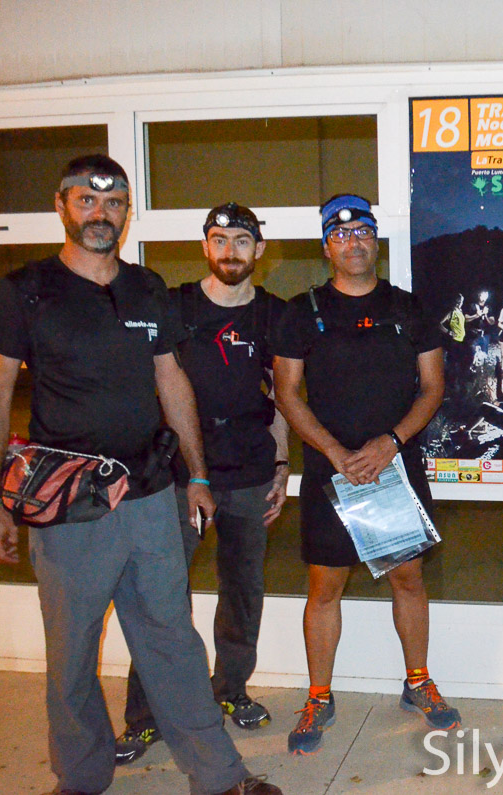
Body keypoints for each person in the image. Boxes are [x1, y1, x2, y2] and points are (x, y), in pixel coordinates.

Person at [0, 155, 280, 795]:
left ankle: (219, 776)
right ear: (61, 205)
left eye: (113, 203)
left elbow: (171, 379)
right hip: (68, 506)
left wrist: (197, 475)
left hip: (150, 498)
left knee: (173, 641)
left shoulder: (146, 287)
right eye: (86, 200)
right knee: (73, 652)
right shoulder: (26, 289)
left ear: (126, 213)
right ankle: (81, 778)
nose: (100, 213)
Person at [273, 193, 460, 757]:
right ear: (326, 246)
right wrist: (333, 451)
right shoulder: (300, 311)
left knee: (408, 579)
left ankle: (418, 682)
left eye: (362, 232)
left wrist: (391, 443)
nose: (352, 242)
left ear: (374, 241)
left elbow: (433, 388)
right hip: (332, 472)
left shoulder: (408, 308)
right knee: (324, 588)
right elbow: (287, 393)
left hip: (392, 468)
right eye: (340, 234)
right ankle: (319, 696)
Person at [115, 203, 290, 764]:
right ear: (204, 246)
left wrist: (282, 466)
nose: (229, 250)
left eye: (241, 240)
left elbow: (281, 395)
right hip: (176, 477)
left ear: (259, 249)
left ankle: (231, 689)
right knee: (161, 596)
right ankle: (145, 715)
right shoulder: (175, 306)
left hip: (250, 474)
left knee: (243, 591)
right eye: (219, 239)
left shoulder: (274, 314)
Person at [439, 293, 472, 387]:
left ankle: (457, 382)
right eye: (460, 301)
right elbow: (440, 324)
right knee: (453, 363)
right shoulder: (451, 312)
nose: (461, 303)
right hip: (454, 341)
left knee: (460, 362)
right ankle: (450, 383)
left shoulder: (460, 310)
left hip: (461, 340)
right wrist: (449, 332)